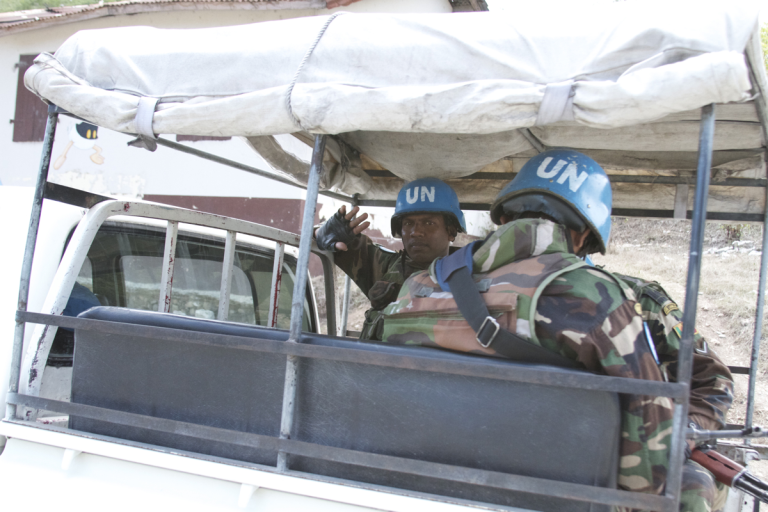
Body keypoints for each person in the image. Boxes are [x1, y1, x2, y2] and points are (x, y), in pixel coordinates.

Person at [382, 149, 674, 499]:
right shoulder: (598, 297)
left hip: (413, 482)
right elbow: (648, 452)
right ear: (583, 234)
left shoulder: (416, 287)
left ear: (504, 217)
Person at [611, 272, 734, 512]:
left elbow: (713, 381)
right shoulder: (519, 297)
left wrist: (686, 434)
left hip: (646, 448)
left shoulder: (638, 300)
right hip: (561, 450)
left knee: (691, 492)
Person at [314, 177, 465, 340]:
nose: (416, 232)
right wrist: (322, 233)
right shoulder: (385, 266)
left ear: (450, 231)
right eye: (408, 223)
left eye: (428, 223)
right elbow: (327, 240)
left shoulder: (474, 274)